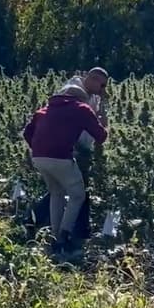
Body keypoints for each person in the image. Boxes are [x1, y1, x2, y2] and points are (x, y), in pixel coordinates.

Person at [23, 83, 108, 257]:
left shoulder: (44, 110)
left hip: (38, 158)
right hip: (61, 157)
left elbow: (26, 133)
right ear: (81, 98)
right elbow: (101, 136)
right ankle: (64, 235)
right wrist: (103, 122)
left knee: (56, 193)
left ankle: (55, 237)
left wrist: (40, 148)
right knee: (77, 195)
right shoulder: (82, 108)